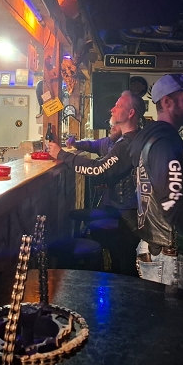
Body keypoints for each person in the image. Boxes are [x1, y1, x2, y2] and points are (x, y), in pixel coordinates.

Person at [49, 91, 145, 275]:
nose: (112, 109)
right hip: (127, 211)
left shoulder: (127, 144)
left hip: (128, 215)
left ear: (131, 113)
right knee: (122, 263)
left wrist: (62, 155)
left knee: (124, 267)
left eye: (118, 105)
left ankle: (118, 290)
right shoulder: (130, 139)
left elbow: (98, 168)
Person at [129, 73, 183, 290]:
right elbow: (177, 211)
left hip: (159, 250)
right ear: (167, 102)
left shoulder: (153, 136)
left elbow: (173, 187)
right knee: (171, 313)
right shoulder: (164, 143)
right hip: (168, 256)